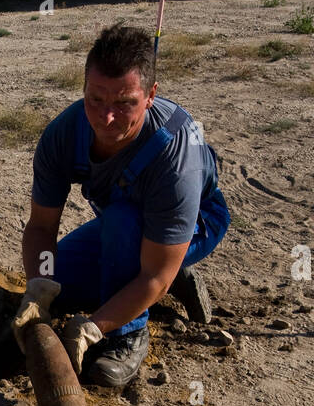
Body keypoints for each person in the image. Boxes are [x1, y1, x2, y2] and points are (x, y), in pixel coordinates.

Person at [14, 23, 230, 387]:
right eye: (95, 99)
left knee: (127, 232)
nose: (107, 117)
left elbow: (154, 276)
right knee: (61, 279)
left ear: (150, 95)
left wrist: (94, 329)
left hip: (196, 223)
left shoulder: (176, 157)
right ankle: (153, 275)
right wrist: (39, 285)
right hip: (123, 226)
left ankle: (129, 334)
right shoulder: (64, 134)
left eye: (125, 103)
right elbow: (41, 228)